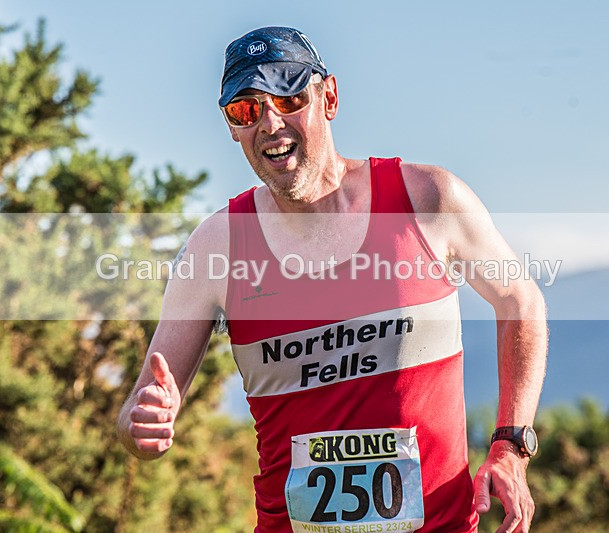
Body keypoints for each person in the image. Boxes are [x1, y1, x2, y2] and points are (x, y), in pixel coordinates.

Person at [117, 26, 547, 533]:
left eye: (291, 97)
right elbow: (138, 414)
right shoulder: (217, 246)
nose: (271, 123)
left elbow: (520, 300)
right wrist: (141, 425)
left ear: (330, 97)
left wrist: (510, 445)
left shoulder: (427, 199)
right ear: (232, 127)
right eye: (247, 109)